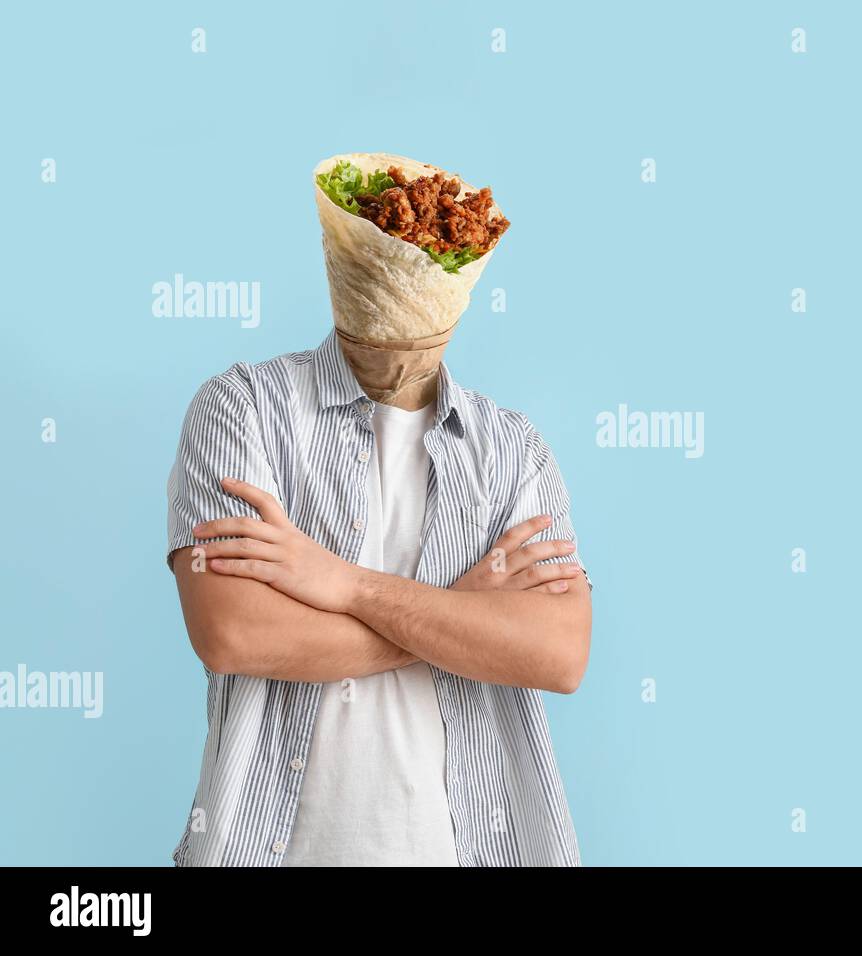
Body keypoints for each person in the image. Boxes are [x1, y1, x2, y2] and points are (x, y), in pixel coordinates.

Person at [164, 154, 591, 866]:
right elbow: (233, 632)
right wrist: (458, 618)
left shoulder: (514, 449)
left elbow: (557, 653)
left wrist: (344, 585)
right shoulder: (242, 409)